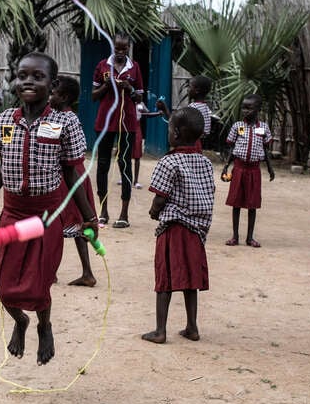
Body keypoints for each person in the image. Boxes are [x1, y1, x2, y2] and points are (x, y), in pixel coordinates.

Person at [0, 52, 97, 365]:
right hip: (12, 214)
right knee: (7, 285)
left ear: (52, 85)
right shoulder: (3, 121)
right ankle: (20, 321)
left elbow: (71, 172)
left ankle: (44, 325)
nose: (28, 81)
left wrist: (88, 217)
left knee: (40, 281)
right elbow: (2, 168)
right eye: (23, 75)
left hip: (46, 215)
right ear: (14, 80)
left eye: (37, 77)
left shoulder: (65, 122)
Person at [142, 107, 215, 344]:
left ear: (176, 133)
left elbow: (160, 197)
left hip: (173, 228)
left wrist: (154, 212)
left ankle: (160, 330)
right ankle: (192, 327)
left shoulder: (169, 162)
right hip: (196, 229)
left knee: (165, 278)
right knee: (190, 279)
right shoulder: (205, 162)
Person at [92, 32, 144, 229]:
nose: (121, 52)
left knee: (125, 165)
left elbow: (139, 98)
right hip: (105, 122)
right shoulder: (102, 66)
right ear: (112, 47)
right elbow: (93, 96)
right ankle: (103, 211)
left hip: (127, 123)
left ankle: (124, 213)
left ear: (128, 49)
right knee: (103, 165)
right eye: (117, 48)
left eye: (124, 49)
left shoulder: (134, 67)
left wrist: (129, 88)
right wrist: (108, 84)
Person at [50, 74, 97, 287]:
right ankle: (86, 272)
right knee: (74, 225)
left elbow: (55, 150)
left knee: (58, 224)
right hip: (73, 174)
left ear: (65, 97)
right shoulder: (64, 117)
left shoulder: (63, 119)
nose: (50, 96)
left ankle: (52, 272)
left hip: (68, 175)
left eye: (54, 93)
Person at [221, 94, 275, 248]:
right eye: (243, 108)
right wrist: (226, 166)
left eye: (249, 108)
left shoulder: (263, 127)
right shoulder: (238, 126)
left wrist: (270, 169)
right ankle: (235, 236)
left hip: (254, 170)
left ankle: (250, 237)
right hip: (239, 168)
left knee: (253, 204)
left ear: (258, 109)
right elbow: (232, 148)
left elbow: (265, 150)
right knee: (235, 203)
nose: (245, 111)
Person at [156, 75, 213, 152]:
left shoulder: (193, 108)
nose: (187, 90)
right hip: (198, 145)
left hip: (188, 145)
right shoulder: (206, 108)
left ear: (197, 90)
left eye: (189, 87)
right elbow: (206, 132)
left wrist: (165, 109)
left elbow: (175, 122)